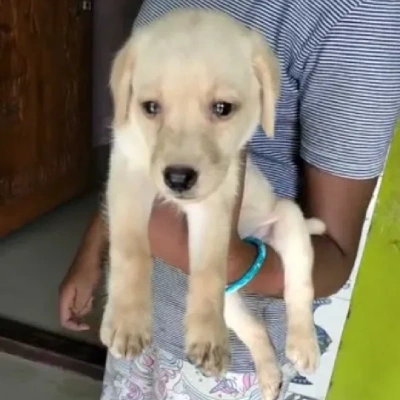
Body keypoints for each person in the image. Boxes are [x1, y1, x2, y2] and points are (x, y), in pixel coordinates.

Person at [59, 0, 400, 399]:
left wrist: (230, 260)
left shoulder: (358, 15)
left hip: (226, 363)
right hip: (141, 321)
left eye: (221, 108)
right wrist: (93, 252)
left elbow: (336, 254)